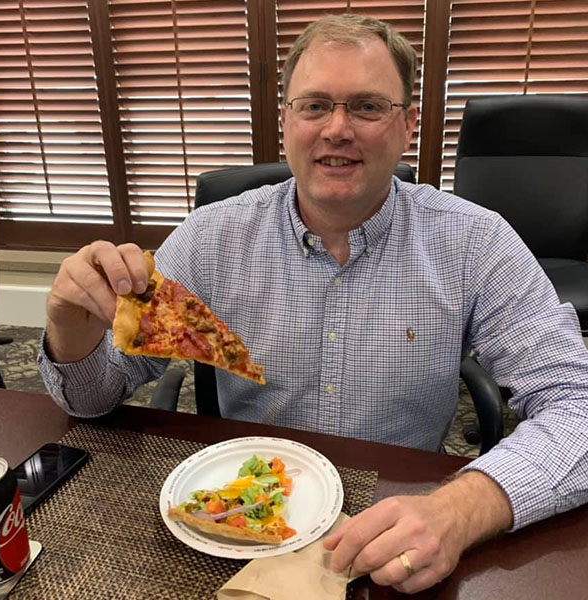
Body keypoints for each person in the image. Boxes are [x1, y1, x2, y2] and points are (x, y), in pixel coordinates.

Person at [38, 13, 588, 594]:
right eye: (315, 105)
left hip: (401, 522)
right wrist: (70, 330)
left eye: (369, 106)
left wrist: (461, 509)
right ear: (286, 122)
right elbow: (94, 402)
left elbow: (579, 406)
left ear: (409, 126)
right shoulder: (211, 238)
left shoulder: (476, 242)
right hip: (236, 520)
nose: (337, 129)